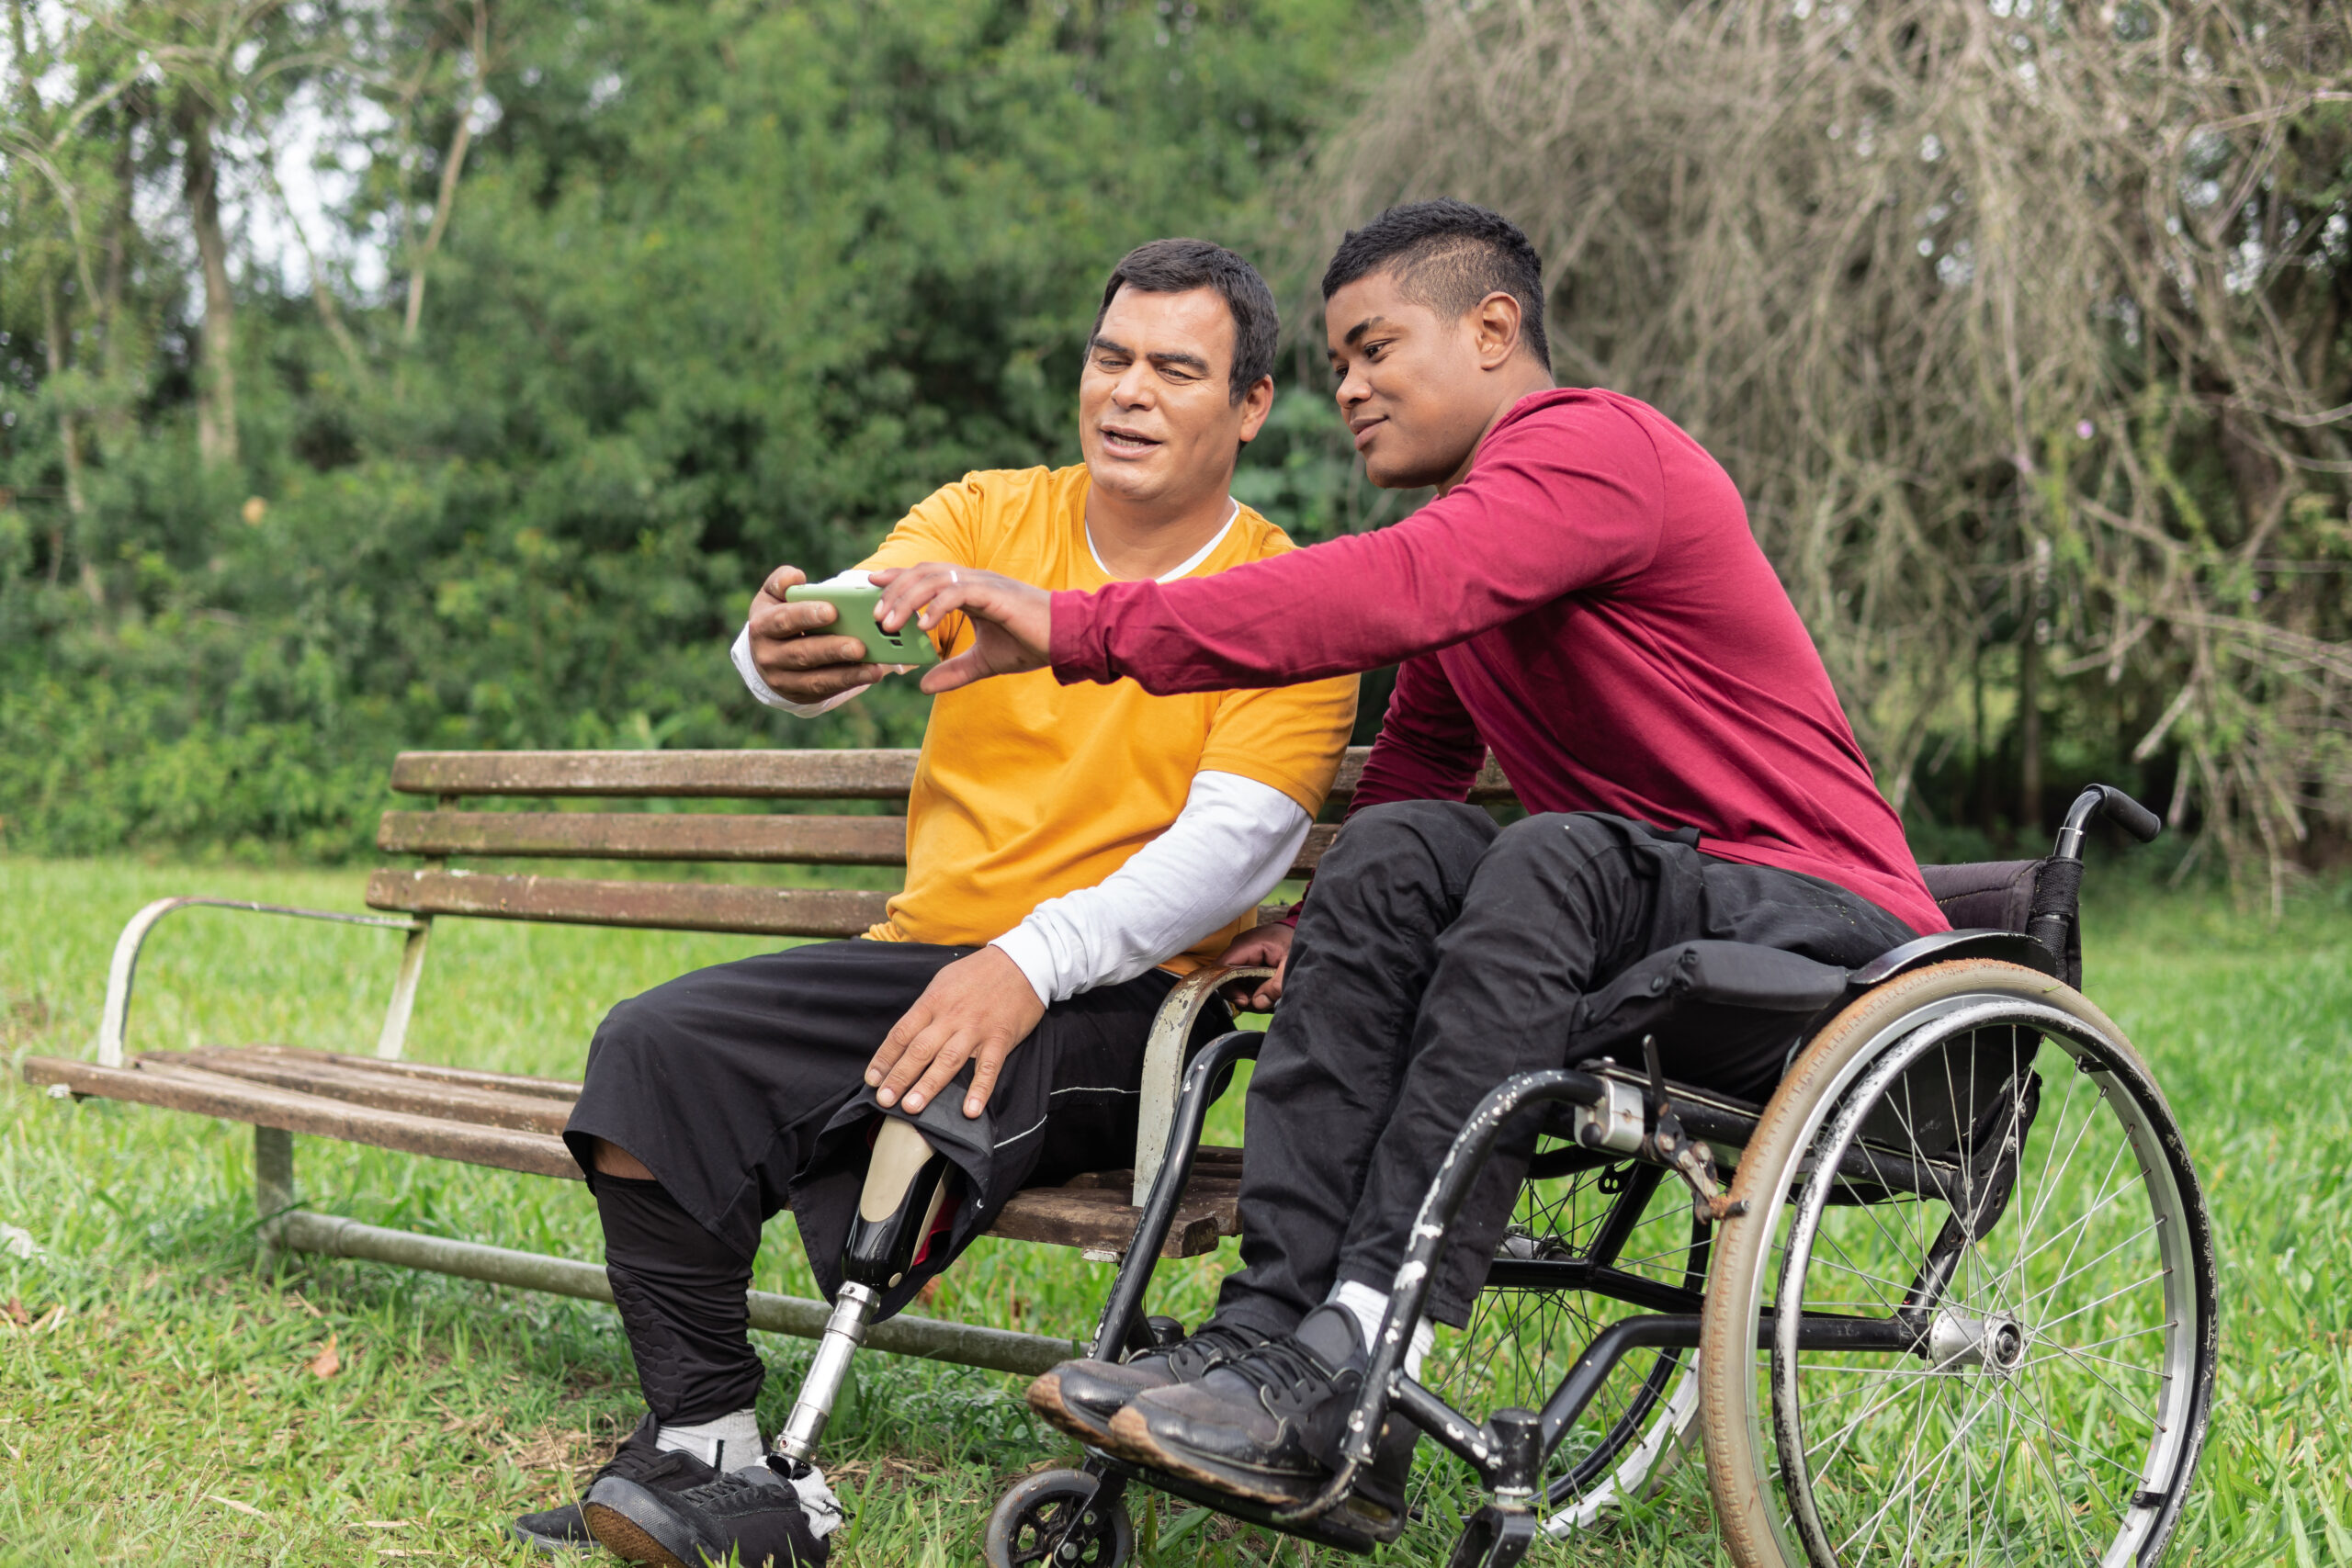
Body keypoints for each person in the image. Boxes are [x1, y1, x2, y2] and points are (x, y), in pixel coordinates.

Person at [870, 199, 1947, 1515]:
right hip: (1661, 928)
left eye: (1375, 349)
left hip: (1832, 934)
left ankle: (1371, 1342)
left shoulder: (1594, 451)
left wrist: (1079, 623)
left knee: (1550, 855)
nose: (1352, 390)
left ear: (1494, 330)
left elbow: (1390, 589)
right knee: (1396, 842)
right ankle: (1278, 1350)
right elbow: (1424, 773)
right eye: (1337, 365)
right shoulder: (1485, 551)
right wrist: (1315, 925)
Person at [510, 238, 1358, 1565]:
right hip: (926, 954)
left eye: (1176, 370)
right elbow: (848, 623)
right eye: (1110, 357)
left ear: (1249, 405)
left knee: (943, 1087)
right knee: (652, 1051)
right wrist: (773, 653)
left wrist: (1026, 963)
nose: (1129, 391)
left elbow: (1235, 852)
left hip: (1126, 1009)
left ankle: (798, 1441)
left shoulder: (1286, 603)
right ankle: (715, 1453)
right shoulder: (985, 516)